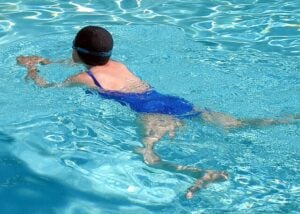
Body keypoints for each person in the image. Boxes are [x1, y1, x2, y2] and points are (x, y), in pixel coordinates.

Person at [17, 26, 299, 199]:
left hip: (150, 116)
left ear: (76, 52)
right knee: (237, 124)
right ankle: (287, 119)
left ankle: (202, 173)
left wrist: (31, 68)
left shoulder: (84, 78)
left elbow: (46, 88)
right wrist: (47, 59)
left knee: (149, 158)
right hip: (173, 103)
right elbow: (79, 59)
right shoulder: (117, 64)